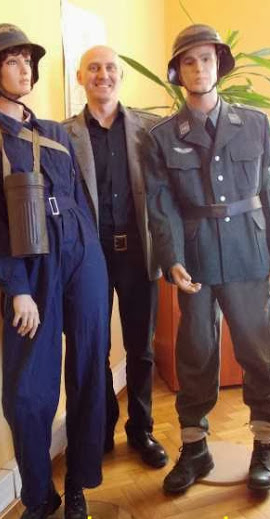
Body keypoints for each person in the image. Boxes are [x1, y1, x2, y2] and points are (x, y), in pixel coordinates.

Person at [0, 24, 109, 519]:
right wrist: (16, 287)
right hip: (32, 266)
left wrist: (93, 257)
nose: (25, 70)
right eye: (12, 61)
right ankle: (40, 495)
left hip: (83, 256)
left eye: (28, 61)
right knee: (27, 394)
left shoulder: (57, 134)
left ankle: (80, 484)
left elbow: (80, 201)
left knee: (89, 369)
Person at [144, 24, 270, 493]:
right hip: (196, 259)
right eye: (189, 61)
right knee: (196, 353)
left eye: (206, 59)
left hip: (249, 251)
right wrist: (171, 258)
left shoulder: (256, 124)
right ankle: (195, 449)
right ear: (178, 72)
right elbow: (161, 205)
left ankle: (264, 443)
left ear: (218, 65)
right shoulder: (161, 137)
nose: (199, 68)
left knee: (259, 349)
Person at [63, 46, 168, 468]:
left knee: (141, 348)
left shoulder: (150, 129)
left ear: (120, 75)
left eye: (109, 68)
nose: (102, 75)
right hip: (91, 258)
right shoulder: (63, 135)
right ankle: (102, 429)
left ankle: (141, 430)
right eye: (93, 68)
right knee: (96, 348)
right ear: (80, 77)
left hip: (139, 253)